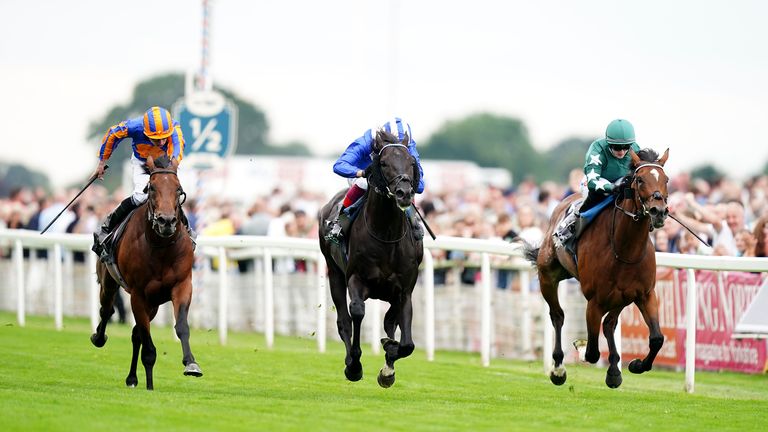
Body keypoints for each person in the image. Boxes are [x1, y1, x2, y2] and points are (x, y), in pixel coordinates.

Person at [91, 106, 189, 256]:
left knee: (170, 193)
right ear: (145, 132)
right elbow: (113, 134)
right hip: (142, 161)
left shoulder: (175, 129)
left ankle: (188, 231)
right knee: (140, 196)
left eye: (164, 137)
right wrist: (102, 162)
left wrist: (172, 166)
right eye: (156, 139)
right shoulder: (135, 126)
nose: (161, 141)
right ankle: (107, 227)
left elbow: (178, 147)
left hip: (165, 162)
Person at [326, 117, 425, 243]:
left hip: (391, 178)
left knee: (406, 184)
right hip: (363, 174)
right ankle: (339, 222)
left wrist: (412, 181)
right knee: (364, 183)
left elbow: (420, 186)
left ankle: (413, 219)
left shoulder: (409, 145)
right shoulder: (367, 141)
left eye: (401, 144)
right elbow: (339, 165)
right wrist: (362, 172)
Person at [554, 119, 641, 252]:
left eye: (626, 147)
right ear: (608, 143)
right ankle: (570, 223)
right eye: (617, 147)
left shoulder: (635, 149)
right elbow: (594, 182)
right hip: (596, 182)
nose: (622, 151)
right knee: (599, 195)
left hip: (621, 182)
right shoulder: (597, 149)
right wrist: (613, 188)